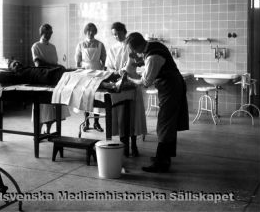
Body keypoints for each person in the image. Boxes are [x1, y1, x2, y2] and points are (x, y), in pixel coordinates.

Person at [126, 32, 189, 173]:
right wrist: (138, 61)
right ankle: (165, 157)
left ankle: (161, 163)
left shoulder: (153, 57)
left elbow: (145, 82)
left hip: (170, 87)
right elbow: (148, 61)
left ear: (138, 47)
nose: (133, 53)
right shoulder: (154, 45)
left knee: (164, 123)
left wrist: (129, 80)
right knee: (168, 123)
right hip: (171, 85)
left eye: (133, 50)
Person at [105, 22, 147, 157]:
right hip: (118, 83)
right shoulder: (112, 49)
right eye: (114, 35)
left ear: (124, 31)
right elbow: (109, 67)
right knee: (121, 116)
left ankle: (134, 145)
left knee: (133, 115)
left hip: (132, 82)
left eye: (118, 33)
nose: (116, 36)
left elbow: (138, 62)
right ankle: (124, 146)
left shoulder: (131, 46)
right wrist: (116, 73)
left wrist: (129, 68)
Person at [31, 24, 70, 134]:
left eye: (50, 33)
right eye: (47, 33)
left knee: (53, 106)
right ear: (42, 32)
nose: (49, 35)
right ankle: (37, 133)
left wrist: (59, 66)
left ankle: (47, 131)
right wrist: (54, 67)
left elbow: (54, 62)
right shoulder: (36, 46)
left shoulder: (52, 47)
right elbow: (38, 63)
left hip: (53, 79)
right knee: (42, 107)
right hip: (42, 78)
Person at [74, 23, 107, 133]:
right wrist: (79, 71)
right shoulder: (81, 44)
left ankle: (96, 122)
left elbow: (104, 59)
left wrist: (101, 69)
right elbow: (78, 60)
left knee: (97, 96)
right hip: (85, 71)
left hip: (97, 71)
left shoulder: (100, 44)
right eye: (89, 31)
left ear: (95, 31)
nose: (91, 33)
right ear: (85, 32)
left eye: (93, 30)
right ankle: (86, 122)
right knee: (86, 96)